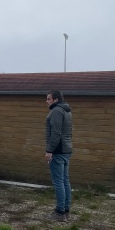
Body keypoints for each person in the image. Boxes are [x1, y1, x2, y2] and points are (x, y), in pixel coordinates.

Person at [45, 90, 73, 222]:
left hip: (58, 150)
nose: (46, 101)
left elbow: (55, 133)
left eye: (48, 99)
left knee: (58, 181)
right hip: (66, 149)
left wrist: (49, 150)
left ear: (55, 99)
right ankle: (66, 209)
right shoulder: (67, 111)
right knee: (65, 180)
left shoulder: (56, 111)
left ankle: (60, 211)